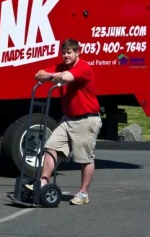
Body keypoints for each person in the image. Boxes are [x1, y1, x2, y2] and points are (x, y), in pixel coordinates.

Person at [32, 38, 102, 205]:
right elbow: (38, 75)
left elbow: (68, 77)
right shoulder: (60, 68)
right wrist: (52, 75)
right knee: (50, 147)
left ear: (77, 53)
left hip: (86, 119)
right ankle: (43, 183)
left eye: (69, 52)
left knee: (84, 158)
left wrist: (56, 76)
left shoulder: (83, 67)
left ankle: (83, 193)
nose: (66, 56)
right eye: (64, 52)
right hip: (68, 119)